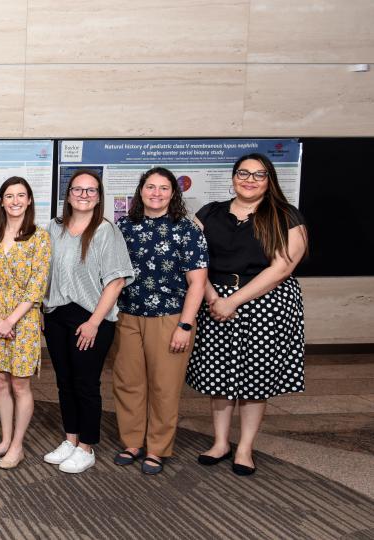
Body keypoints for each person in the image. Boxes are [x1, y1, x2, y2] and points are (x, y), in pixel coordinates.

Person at [187, 153, 308, 476]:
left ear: (269, 181)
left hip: (265, 303)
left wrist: (234, 301)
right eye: (243, 173)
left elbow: (283, 267)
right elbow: (193, 258)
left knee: (256, 378)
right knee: (219, 376)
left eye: (258, 175)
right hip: (215, 300)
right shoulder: (209, 213)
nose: (249, 179)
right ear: (233, 177)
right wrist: (213, 297)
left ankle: (245, 447)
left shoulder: (285, 215)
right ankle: (221, 442)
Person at [112, 167, 209, 475]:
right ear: (140, 191)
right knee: (128, 382)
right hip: (127, 315)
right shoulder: (124, 226)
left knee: (164, 386)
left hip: (170, 318)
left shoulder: (186, 228)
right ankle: (132, 442)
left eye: (163, 188)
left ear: (173, 193)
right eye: (150, 187)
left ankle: (157, 448)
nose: (156, 193)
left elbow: (197, 282)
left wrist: (186, 325)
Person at [41, 170, 134, 474]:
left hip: (91, 318)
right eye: (78, 190)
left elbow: (116, 281)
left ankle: (87, 446)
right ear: (68, 194)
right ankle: (70, 439)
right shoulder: (54, 228)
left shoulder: (106, 231)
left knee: (85, 384)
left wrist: (94, 321)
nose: (84, 195)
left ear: (99, 196)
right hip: (57, 315)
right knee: (64, 382)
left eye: (90, 191)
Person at [0, 177, 51, 470]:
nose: (15, 201)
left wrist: (10, 320)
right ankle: (5, 441)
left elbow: (36, 286)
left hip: (24, 319)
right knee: (0, 382)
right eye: (9, 195)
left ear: (30, 200)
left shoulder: (39, 237)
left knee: (20, 384)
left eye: (21, 195)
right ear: (1, 201)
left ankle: (17, 446)